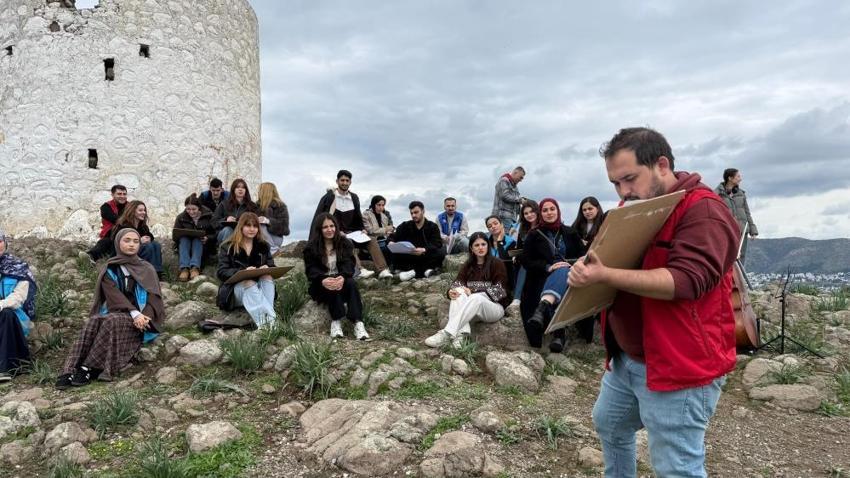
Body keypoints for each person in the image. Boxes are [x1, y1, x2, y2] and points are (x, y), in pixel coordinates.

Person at [568, 127, 739, 478]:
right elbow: (612, 260)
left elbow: (685, 281)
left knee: (676, 467)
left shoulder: (704, 210)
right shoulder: (634, 207)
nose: (623, 191)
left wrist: (605, 275)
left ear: (661, 164)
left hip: (678, 364)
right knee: (610, 424)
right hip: (629, 357)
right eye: (615, 183)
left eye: (629, 179)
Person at [56, 229, 165, 388]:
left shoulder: (147, 268)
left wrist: (145, 316)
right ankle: (69, 369)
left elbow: (154, 296)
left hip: (141, 319)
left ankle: (89, 367)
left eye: (135, 241)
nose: (131, 244)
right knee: (94, 321)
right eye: (127, 240)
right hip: (119, 312)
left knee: (111, 321)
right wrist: (134, 314)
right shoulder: (110, 268)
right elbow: (114, 296)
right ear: (118, 243)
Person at [518, 198, 583, 353]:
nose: (549, 213)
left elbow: (583, 255)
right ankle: (559, 335)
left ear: (558, 210)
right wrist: (548, 267)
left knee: (562, 270)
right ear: (540, 213)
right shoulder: (534, 234)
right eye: (545, 210)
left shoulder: (570, 232)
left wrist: (570, 265)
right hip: (542, 275)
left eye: (552, 209)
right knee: (551, 279)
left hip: (570, 274)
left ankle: (544, 308)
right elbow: (525, 260)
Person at [424, 232, 509, 349]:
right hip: (471, 309)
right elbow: (458, 283)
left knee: (476, 297)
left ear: (488, 246)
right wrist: (451, 291)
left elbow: (500, 290)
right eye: (477, 245)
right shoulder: (468, 265)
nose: (480, 248)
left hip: (493, 308)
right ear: (471, 248)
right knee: (458, 291)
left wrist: (474, 291)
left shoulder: (497, 263)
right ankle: (461, 337)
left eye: (483, 244)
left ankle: (447, 333)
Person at [312, 170, 391, 279]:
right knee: (347, 242)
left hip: (353, 233)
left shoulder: (354, 198)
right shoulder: (330, 197)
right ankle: (360, 270)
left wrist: (362, 229)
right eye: (342, 180)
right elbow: (322, 218)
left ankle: (383, 270)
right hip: (335, 234)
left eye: (347, 180)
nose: (344, 183)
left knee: (371, 240)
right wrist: (336, 232)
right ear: (337, 181)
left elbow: (358, 217)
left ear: (350, 182)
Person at [303, 213, 370, 340]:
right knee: (331, 284)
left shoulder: (344, 243)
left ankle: (358, 323)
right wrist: (323, 280)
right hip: (320, 284)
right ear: (319, 230)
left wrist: (343, 276)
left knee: (350, 283)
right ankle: (336, 321)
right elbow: (311, 269)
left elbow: (349, 264)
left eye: (332, 226)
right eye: (325, 227)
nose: (329, 230)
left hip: (341, 279)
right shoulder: (311, 248)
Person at [216, 213, 277, 329]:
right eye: (248, 225)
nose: (252, 229)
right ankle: (270, 326)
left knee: (267, 277)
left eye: (255, 226)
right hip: (235, 291)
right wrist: (243, 271)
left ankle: (268, 320)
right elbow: (221, 272)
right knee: (249, 282)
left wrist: (267, 267)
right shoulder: (227, 246)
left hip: (259, 286)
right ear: (241, 227)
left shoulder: (263, 246)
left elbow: (272, 265)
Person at [0, 230, 37, 381]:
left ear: (5, 243)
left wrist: (1, 305)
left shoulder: (19, 267)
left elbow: (19, 297)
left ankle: (5, 368)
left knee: (6, 313)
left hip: (14, 317)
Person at [389, 201, 446, 281]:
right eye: (411, 213)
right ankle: (425, 271)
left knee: (440, 252)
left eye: (416, 212)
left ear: (423, 211)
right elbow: (393, 236)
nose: (413, 215)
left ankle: (413, 272)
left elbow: (437, 243)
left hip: (425, 255)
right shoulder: (405, 225)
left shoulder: (432, 226)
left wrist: (424, 249)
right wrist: (391, 241)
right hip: (410, 255)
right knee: (394, 252)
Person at [715, 168, 758, 266]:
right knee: (728, 255)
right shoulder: (717, 194)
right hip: (727, 230)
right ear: (730, 178)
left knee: (741, 256)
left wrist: (753, 230)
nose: (740, 179)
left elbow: (747, 212)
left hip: (742, 230)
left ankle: (739, 280)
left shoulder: (741, 193)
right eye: (738, 176)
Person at [113, 200, 163, 277]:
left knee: (156, 245)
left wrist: (148, 238)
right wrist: (139, 241)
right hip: (125, 253)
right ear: (132, 211)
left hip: (138, 251)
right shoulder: (123, 226)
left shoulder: (142, 226)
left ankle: (156, 272)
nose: (144, 212)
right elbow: (120, 242)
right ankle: (144, 272)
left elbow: (150, 236)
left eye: (144, 210)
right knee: (148, 246)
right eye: (140, 210)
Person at [506, 200, 539, 316]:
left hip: (540, 259)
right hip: (527, 260)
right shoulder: (523, 229)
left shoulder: (543, 227)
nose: (529, 215)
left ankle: (517, 297)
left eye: (531, 212)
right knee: (516, 263)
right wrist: (516, 255)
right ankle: (515, 297)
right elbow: (519, 247)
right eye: (526, 213)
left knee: (525, 263)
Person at [172, 194, 216, 282]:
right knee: (184, 239)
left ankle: (195, 268)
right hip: (186, 245)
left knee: (197, 239)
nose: (191, 212)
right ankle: (184, 268)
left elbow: (216, 233)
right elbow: (175, 236)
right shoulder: (181, 218)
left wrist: (208, 238)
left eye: (194, 209)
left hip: (203, 246)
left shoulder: (209, 216)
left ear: (199, 207)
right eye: (188, 209)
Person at [85, 184, 128, 261]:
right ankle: (90, 257)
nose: (122, 196)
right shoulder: (106, 207)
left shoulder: (130, 206)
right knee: (105, 243)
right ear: (112, 195)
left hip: (128, 233)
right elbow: (115, 220)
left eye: (124, 194)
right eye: (119, 194)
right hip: (110, 234)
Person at [213, 178, 259, 244]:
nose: (240, 189)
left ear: (246, 190)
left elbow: (256, 222)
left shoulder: (252, 206)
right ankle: (226, 252)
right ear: (233, 189)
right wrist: (226, 219)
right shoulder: (224, 204)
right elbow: (213, 221)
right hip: (225, 233)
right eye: (237, 187)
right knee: (228, 230)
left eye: (243, 188)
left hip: (243, 233)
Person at [256, 182, 290, 255]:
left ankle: (273, 250)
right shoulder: (256, 206)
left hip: (275, 238)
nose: (258, 192)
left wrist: (267, 221)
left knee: (261, 225)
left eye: (260, 190)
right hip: (259, 238)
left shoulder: (280, 206)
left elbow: (285, 228)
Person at [485, 215, 516, 294]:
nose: (493, 227)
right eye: (490, 226)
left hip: (505, 281)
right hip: (489, 280)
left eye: (495, 223)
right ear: (488, 229)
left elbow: (504, 261)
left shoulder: (511, 242)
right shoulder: (486, 244)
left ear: (501, 225)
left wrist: (500, 242)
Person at [362, 195, 395, 269]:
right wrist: (386, 229)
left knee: (396, 245)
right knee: (387, 250)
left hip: (385, 240)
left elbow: (390, 229)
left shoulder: (384, 216)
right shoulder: (366, 214)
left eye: (383, 205)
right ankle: (387, 268)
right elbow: (371, 230)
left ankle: (395, 267)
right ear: (373, 204)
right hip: (374, 241)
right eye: (378, 205)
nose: (381, 207)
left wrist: (387, 230)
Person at [491, 166, 526, 235]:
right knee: (506, 238)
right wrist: (520, 200)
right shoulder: (504, 180)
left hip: (511, 218)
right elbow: (505, 196)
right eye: (521, 177)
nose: (521, 180)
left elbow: (515, 200)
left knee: (510, 238)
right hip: (503, 216)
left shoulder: (514, 186)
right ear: (515, 172)